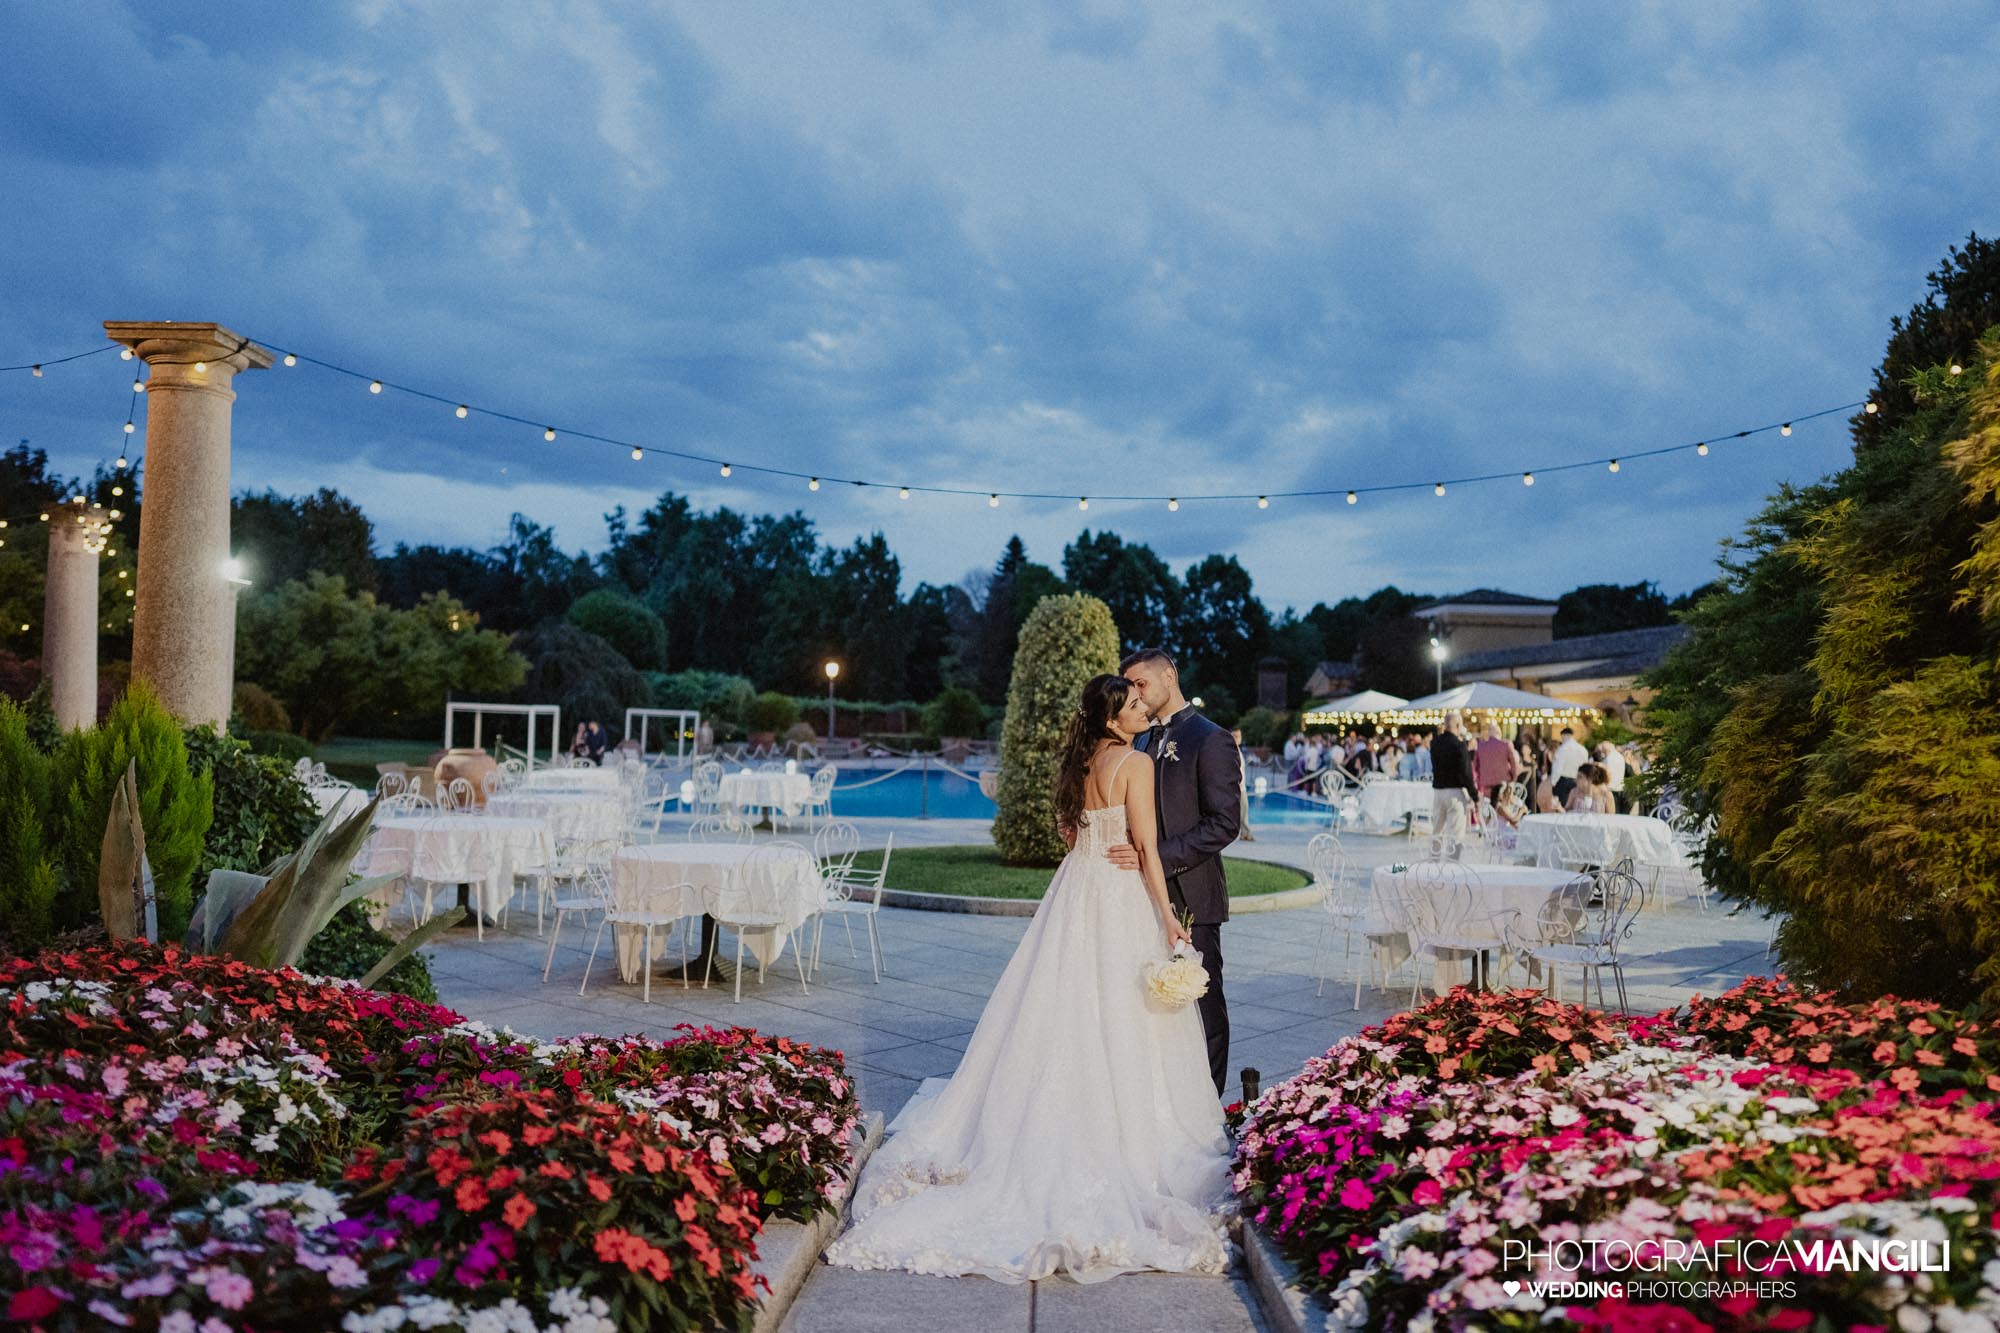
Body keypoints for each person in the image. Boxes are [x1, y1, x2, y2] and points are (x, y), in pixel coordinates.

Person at [826, 672, 1229, 1282]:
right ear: (1115, 716)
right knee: (1124, 1010)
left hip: (1075, 891)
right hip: (1117, 894)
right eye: (1132, 703)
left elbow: (1075, 836)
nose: (1142, 707)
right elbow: (1146, 851)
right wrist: (1170, 920)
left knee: (1061, 1002)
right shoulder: (1136, 765)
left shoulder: (1083, 761)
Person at [1107, 648, 1242, 1096]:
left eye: (1142, 685)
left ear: (1169, 675)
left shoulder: (1211, 738)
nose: (1137, 697)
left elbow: (1225, 823)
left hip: (1192, 892)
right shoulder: (1140, 739)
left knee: (1201, 1005)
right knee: (1152, 1002)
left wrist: (1156, 858)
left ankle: (1209, 1103)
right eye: (1131, 690)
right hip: (1139, 895)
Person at [1429, 709, 1478, 832]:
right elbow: (1466, 773)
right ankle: (1453, 852)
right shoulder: (1459, 745)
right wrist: (1475, 796)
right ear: (1458, 725)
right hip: (1455, 793)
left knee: (1437, 832)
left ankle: (1435, 852)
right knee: (1456, 835)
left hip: (1438, 792)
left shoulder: (1435, 743)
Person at [1474, 722, 1520, 803]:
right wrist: (1513, 779)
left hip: (1486, 786)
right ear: (1499, 733)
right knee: (1502, 811)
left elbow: (1476, 766)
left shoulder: (1480, 746)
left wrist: (1479, 780)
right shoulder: (1506, 745)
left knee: (1489, 811)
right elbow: (1514, 765)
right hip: (1503, 785)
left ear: (1489, 734)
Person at [1550, 727, 1589, 806]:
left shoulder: (1562, 749)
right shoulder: (1582, 749)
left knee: (1562, 805)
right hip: (1578, 780)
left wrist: (1553, 781)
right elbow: (1586, 766)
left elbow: (1558, 767)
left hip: (1564, 781)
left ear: (1564, 736)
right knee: (1575, 805)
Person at [1232, 727, 1256, 842]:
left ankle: (1245, 833)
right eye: (1235, 736)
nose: (1238, 739)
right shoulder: (1232, 751)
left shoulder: (1237, 750)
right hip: (1238, 787)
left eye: (1239, 736)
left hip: (1241, 787)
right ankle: (1245, 833)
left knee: (1243, 810)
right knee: (1243, 810)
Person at [1595, 741, 1629, 813]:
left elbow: (1608, 774)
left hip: (1612, 788)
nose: (1602, 752)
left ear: (1606, 749)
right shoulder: (1619, 756)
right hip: (1619, 787)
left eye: (1603, 750)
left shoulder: (1610, 758)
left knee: (1612, 812)